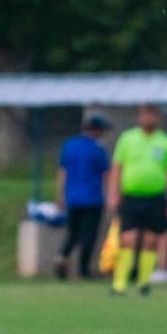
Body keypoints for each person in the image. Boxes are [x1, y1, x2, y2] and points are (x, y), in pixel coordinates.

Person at [106, 104, 167, 296]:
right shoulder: (127, 139)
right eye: (145, 115)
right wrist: (113, 192)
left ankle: (143, 282)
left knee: (150, 240)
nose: (148, 119)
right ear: (140, 117)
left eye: (152, 115)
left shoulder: (165, 143)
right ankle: (119, 283)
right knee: (127, 239)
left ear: (158, 118)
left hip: (155, 197)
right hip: (131, 196)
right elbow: (117, 167)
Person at [53, 114, 112, 280]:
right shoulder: (97, 149)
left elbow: (62, 172)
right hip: (92, 199)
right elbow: (106, 174)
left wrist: (60, 195)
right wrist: (111, 195)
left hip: (72, 197)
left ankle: (62, 257)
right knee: (89, 235)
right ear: (95, 130)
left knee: (73, 233)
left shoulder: (69, 145)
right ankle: (83, 269)